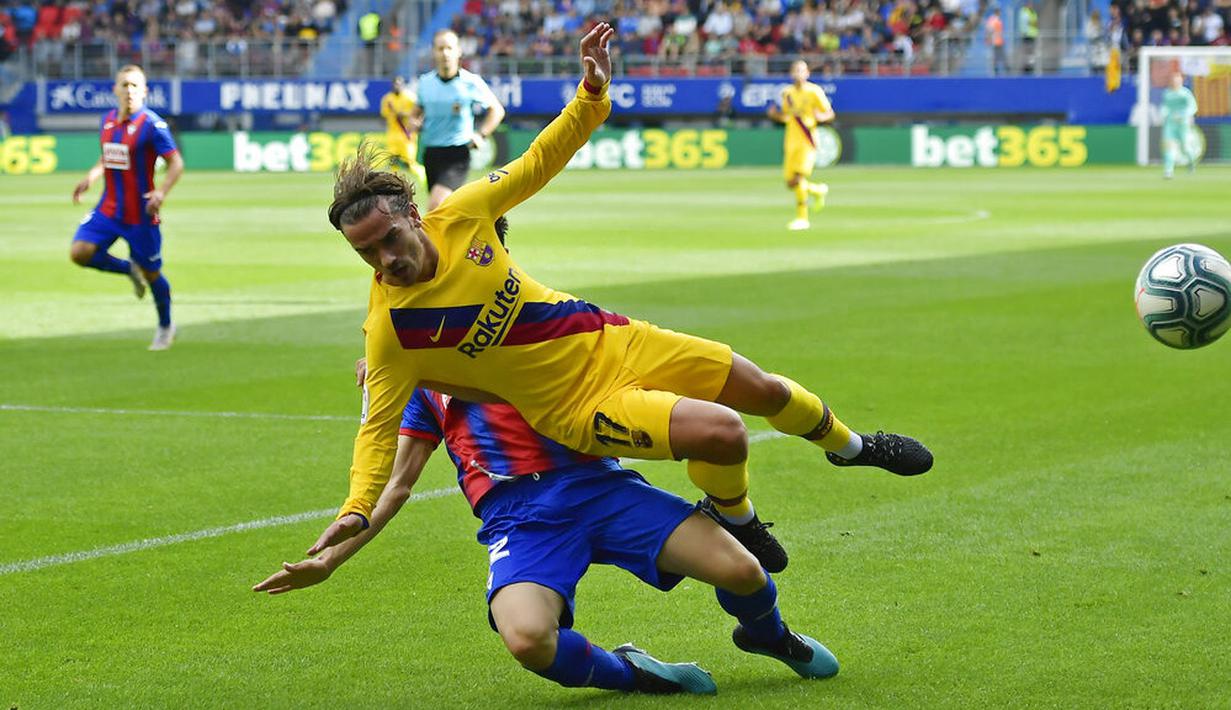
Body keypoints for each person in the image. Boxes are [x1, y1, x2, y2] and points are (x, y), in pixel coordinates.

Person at [322, 24, 932, 573]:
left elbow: (541, 159)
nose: (384, 260)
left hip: (611, 336)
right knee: (721, 433)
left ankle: (851, 448)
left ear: (412, 215)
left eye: (389, 239)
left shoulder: (462, 213)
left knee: (764, 389)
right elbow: (377, 430)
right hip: (577, 409)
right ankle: (739, 518)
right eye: (366, 253)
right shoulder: (392, 330)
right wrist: (356, 506)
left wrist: (591, 93)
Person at [254, 368, 841, 695]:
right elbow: (397, 485)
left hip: (601, 489)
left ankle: (769, 636)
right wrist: (331, 560)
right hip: (521, 519)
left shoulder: (528, 338)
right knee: (529, 639)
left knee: (743, 571)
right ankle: (635, 673)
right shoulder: (422, 389)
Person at [70, 64, 183, 351]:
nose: (129, 91)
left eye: (135, 86)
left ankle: (166, 325)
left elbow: (176, 163)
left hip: (140, 215)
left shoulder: (153, 125)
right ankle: (128, 269)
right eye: (124, 85)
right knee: (79, 252)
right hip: (109, 208)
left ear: (145, 91)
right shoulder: (108, 121)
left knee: (152, 274)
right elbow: (108, 156)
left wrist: (161, 192)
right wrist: (91, 177)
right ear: (115, 90)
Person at [414, 28, 506, 210]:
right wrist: (413, 122)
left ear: (458, 51)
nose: (445, 53)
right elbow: (417, 111)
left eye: (449, 48)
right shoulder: (425, 82)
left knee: (435, 206)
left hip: (457, 153)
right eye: (440, 48)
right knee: (445, 211)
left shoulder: (471, 82)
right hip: (431, 152)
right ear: (433, 52)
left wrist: (481, 134)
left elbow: (497, 110)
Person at [766, 59, 834, 232]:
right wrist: (775, 116)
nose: (798, 74)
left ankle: (802, 219)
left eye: (801, 70)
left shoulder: (814, 91)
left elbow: (829, 113)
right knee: (790, 183)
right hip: (791, 140)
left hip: (807, 140)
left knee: (798, 178)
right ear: (791, 73)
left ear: (807, 73)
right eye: (795, 70)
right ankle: (817, 190)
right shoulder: (787, 93)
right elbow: (787, 117)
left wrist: (822, 117)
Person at [379, 75, 427, 184]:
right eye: (395, 84)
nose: (396, 86)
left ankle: (424, 177)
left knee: (409, 162)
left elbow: (420, 113)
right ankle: (393, 183)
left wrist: (407, 116)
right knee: (393, 161)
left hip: (407, 134)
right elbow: (384, 115)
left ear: (403, 85)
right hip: (392, 134)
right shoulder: (387, 99)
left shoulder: (410, 98)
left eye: (399, 84)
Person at [1161, 71, 1199, 179]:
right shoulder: (1167, 93)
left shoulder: (1185, 93)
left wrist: (1184, 115)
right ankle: (1168, 171)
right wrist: (1163, 113)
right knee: (1169, 147)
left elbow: (1193, 107)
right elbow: (1165, 107)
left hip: (1183, 124)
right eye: (1174, 80)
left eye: (1177, 80)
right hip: (1170, 124)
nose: (1175, 82)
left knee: (1185, 147)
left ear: (1181, 81)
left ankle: (1191, 162)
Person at [985, 7, 1007, 76]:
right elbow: (989, 30)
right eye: (999, 12)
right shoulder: (992, 19)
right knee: (995, 57)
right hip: (994, 41)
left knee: (1001, 56)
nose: (1000, 13)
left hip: (999, 41)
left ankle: (1002, 70)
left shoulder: (998, 19)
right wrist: (988, 39)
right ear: (997, 12)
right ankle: (995, 72)